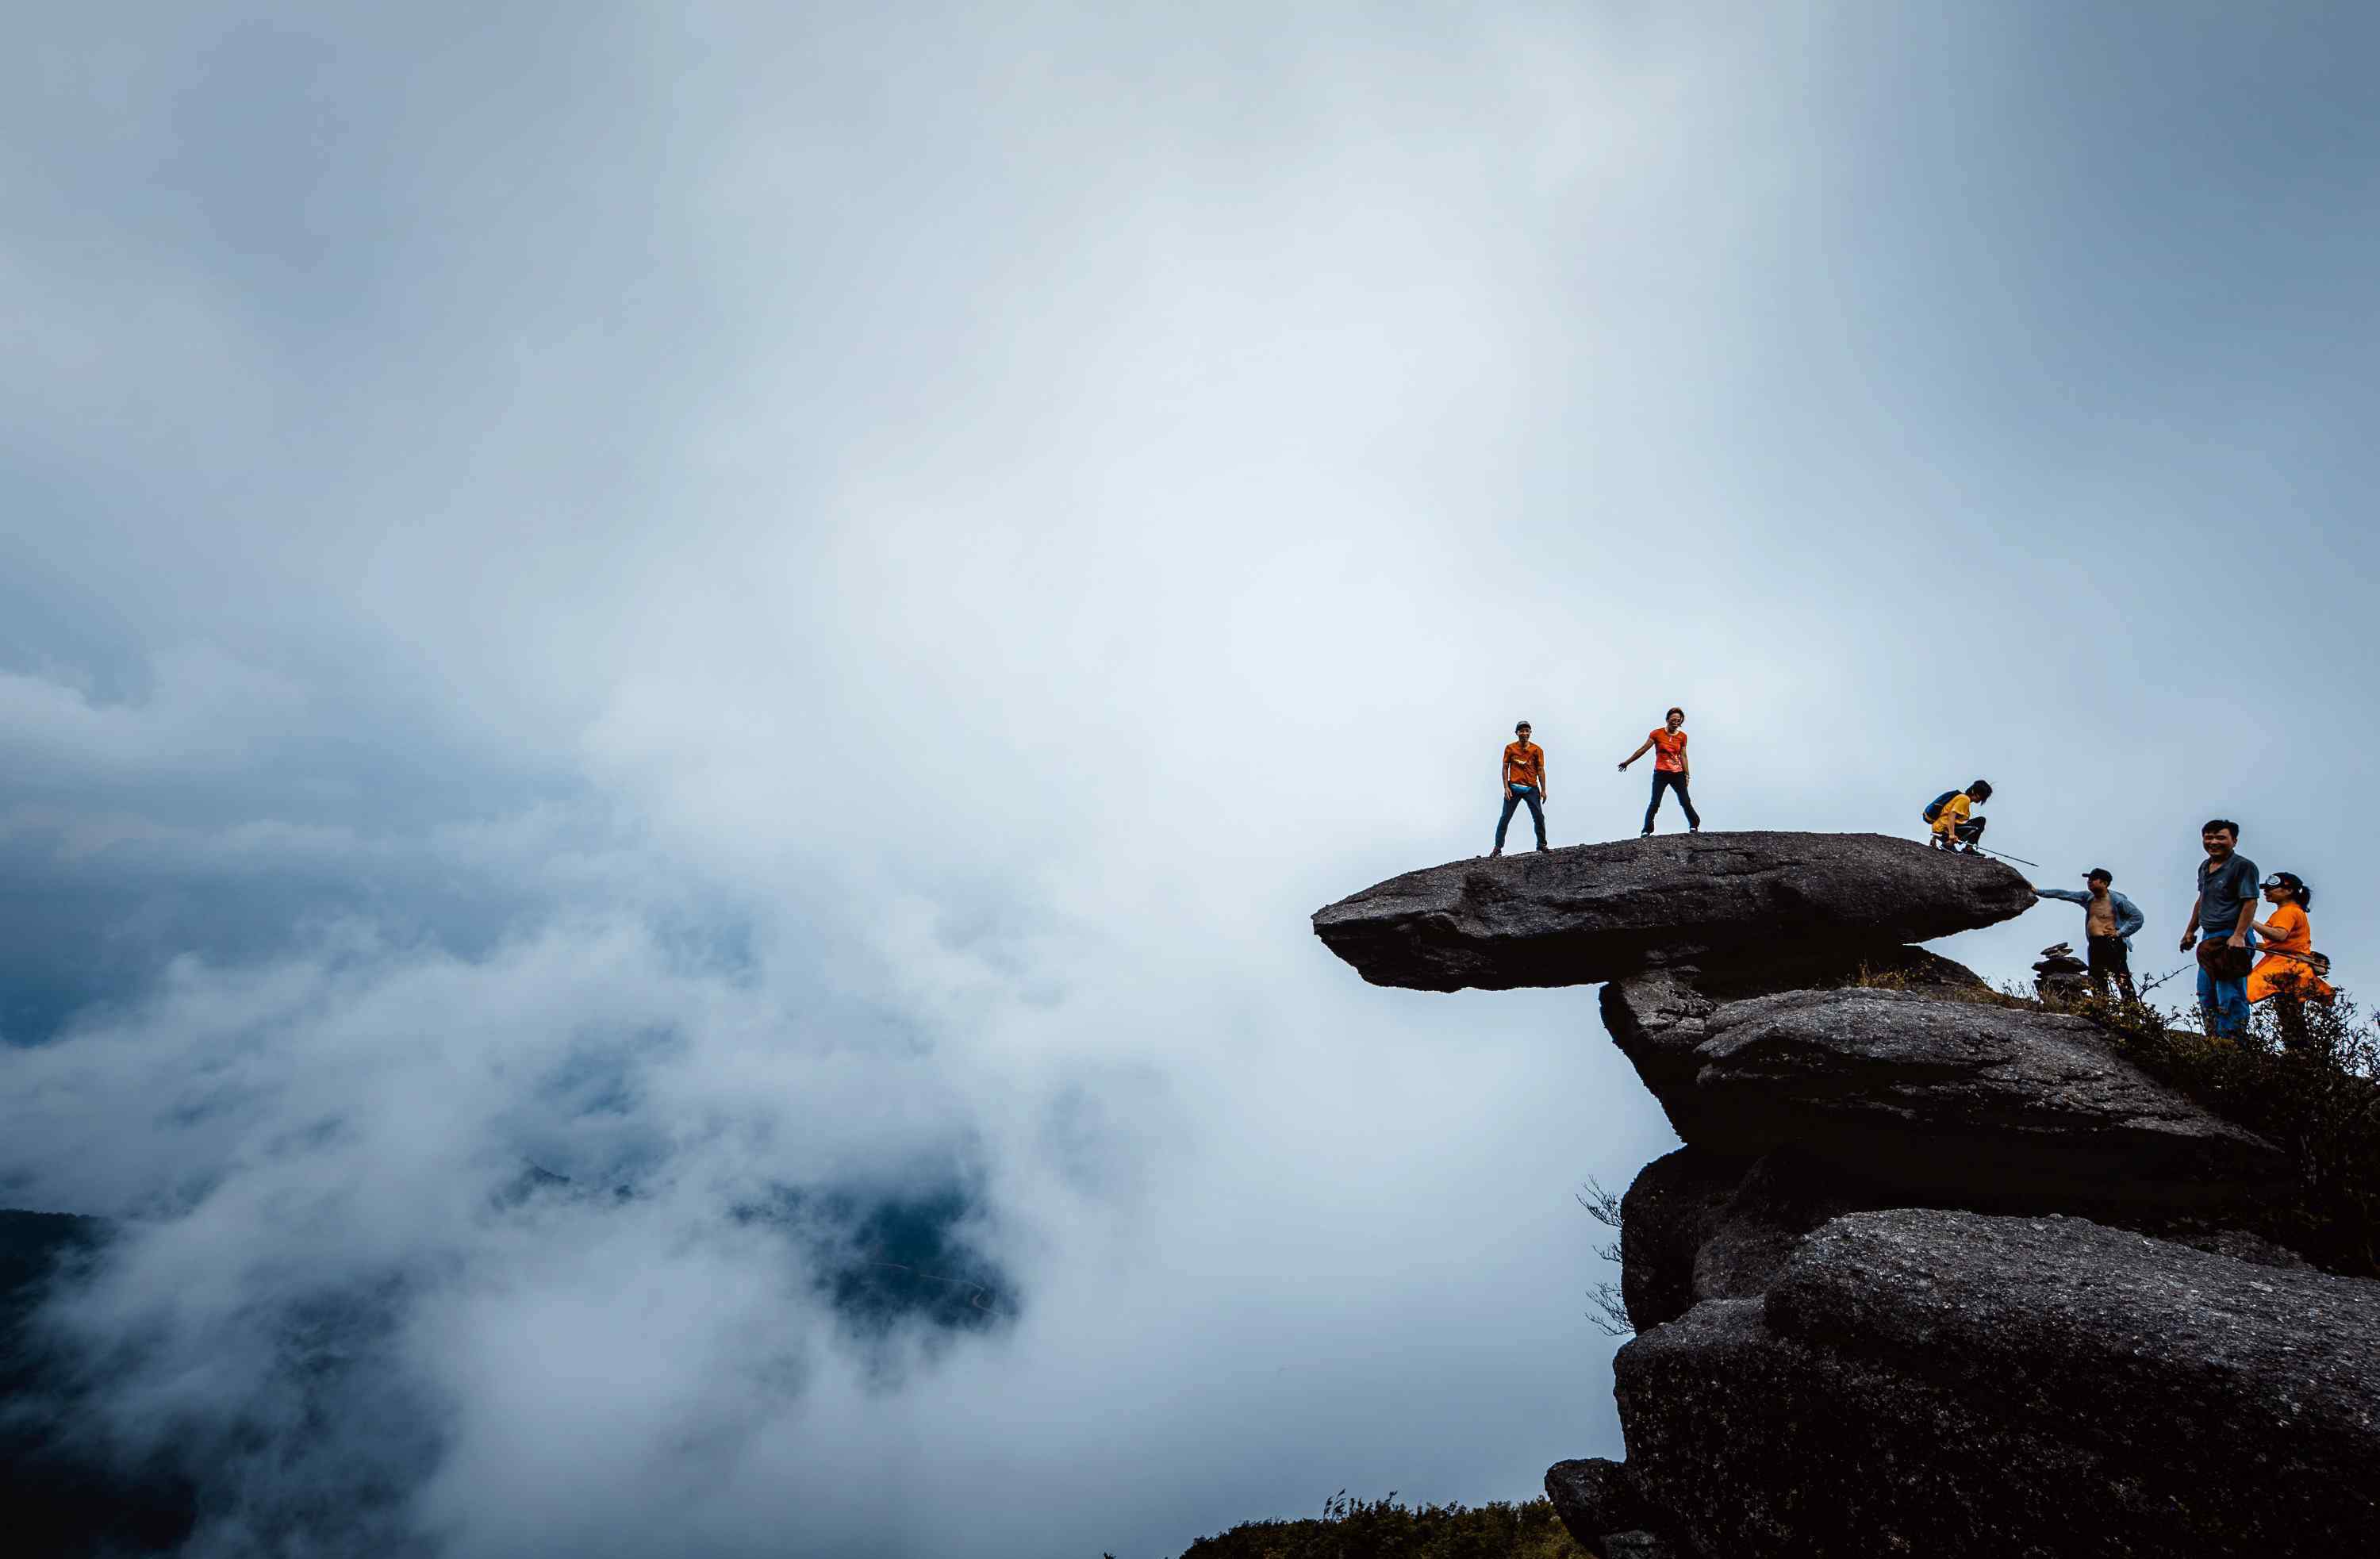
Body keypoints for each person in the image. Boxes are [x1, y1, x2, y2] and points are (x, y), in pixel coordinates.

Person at [2180, 819, 2259, 1039]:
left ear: (2234, 840)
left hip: (2232, 936)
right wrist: (2190, 931)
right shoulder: (2205, 867)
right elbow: (2202, 899)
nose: (2213, 842)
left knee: (2230, 993)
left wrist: (2239, 935)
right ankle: (2215, 1041)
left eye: (2220, 837)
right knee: (2206, 992)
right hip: (2209, 937)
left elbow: (2250, 902)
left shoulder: (2243, 866)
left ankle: (2234, 1044)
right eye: (2209, 837)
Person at [2248, 872, 2335, 1051]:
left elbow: (2280, 936)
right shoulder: (2295, 912)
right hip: (2295, 970)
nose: (2266, 892)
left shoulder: (2287, 912)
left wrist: (2248, 920)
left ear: (2289, 890)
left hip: (2285, 970)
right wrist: (2250, 943)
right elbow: (2285, 947)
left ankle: (2299, 1056)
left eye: (2272, 888)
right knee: (2292, 1016)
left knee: (2289, 1016)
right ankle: (2300, 1055)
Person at [2033, 868, 2143, 1000]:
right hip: (2095, 944)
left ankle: (2133, 1013)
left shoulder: (2117, 900)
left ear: (2104, 883)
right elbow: (2064, 894)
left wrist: (2120, 933)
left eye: (2093, 879)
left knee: (2121, 977)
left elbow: (2137, 917)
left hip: (2113, 943)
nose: (2089, 882)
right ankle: (2101, 1008)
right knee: (2096, 977)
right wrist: (2039, 892)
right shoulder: (2088, 898)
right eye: (2088, 880)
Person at [1618, 708, 1699, 837]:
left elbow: (1683, 756)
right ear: (1667, 720)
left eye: (1678, 720)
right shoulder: (1657, 734)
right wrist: (1627, 762)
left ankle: (1694, 824)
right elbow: (1643, 749)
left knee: (1685, 801)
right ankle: (1647, 829)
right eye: (1673, 719)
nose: (1676, 722)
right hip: (1661, 774)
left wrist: (1687, 774)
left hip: (1677, 773)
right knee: (1655, 802)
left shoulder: (1682, 737)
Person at [1491, 720, 1549, 857]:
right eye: (1521, 731)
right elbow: (1505, 767)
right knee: (1505, 817)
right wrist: (1506, 787)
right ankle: (1497, 847)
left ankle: (1541, 844)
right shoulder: (1510, 748)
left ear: (1530, 733)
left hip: (1531, 788)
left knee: (1539, 817)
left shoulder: (1537, 750)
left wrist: (1543, 789)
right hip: (1514, 788)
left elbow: (1540, 769)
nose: (1524, 733)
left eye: (1526, 731)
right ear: (1517, 733)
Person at [1923, 781, 1993, 852]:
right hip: (1944, 830)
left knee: (1979, 821)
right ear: (1974, 792)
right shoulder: (1965, 799)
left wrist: (1934, 838)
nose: (1981, 799)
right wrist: (1952, 835)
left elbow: (1944, 818)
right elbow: (1951, 815)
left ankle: (1966, 848)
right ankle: (1952, 845)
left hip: (1940, 828)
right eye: (1981, 795)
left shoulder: (1962, 798)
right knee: (1980, 822)